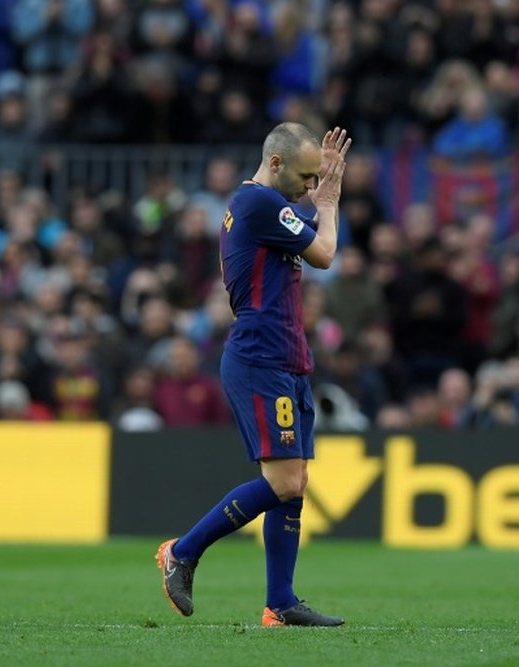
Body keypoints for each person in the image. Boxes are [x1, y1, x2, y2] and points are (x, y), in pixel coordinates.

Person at [156, 123, 351, 628]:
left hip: (288, 356)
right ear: (278, 163)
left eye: (318, 179)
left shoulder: (268, 210)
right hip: (259, 356)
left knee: (295, 481)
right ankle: (184, 550)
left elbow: (307, 237)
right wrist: (329, 200)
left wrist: (319, 201)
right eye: (306, 177)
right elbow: (325, 254)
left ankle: (280, 603)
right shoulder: (258, 204)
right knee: (283, 479)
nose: (311, 186)